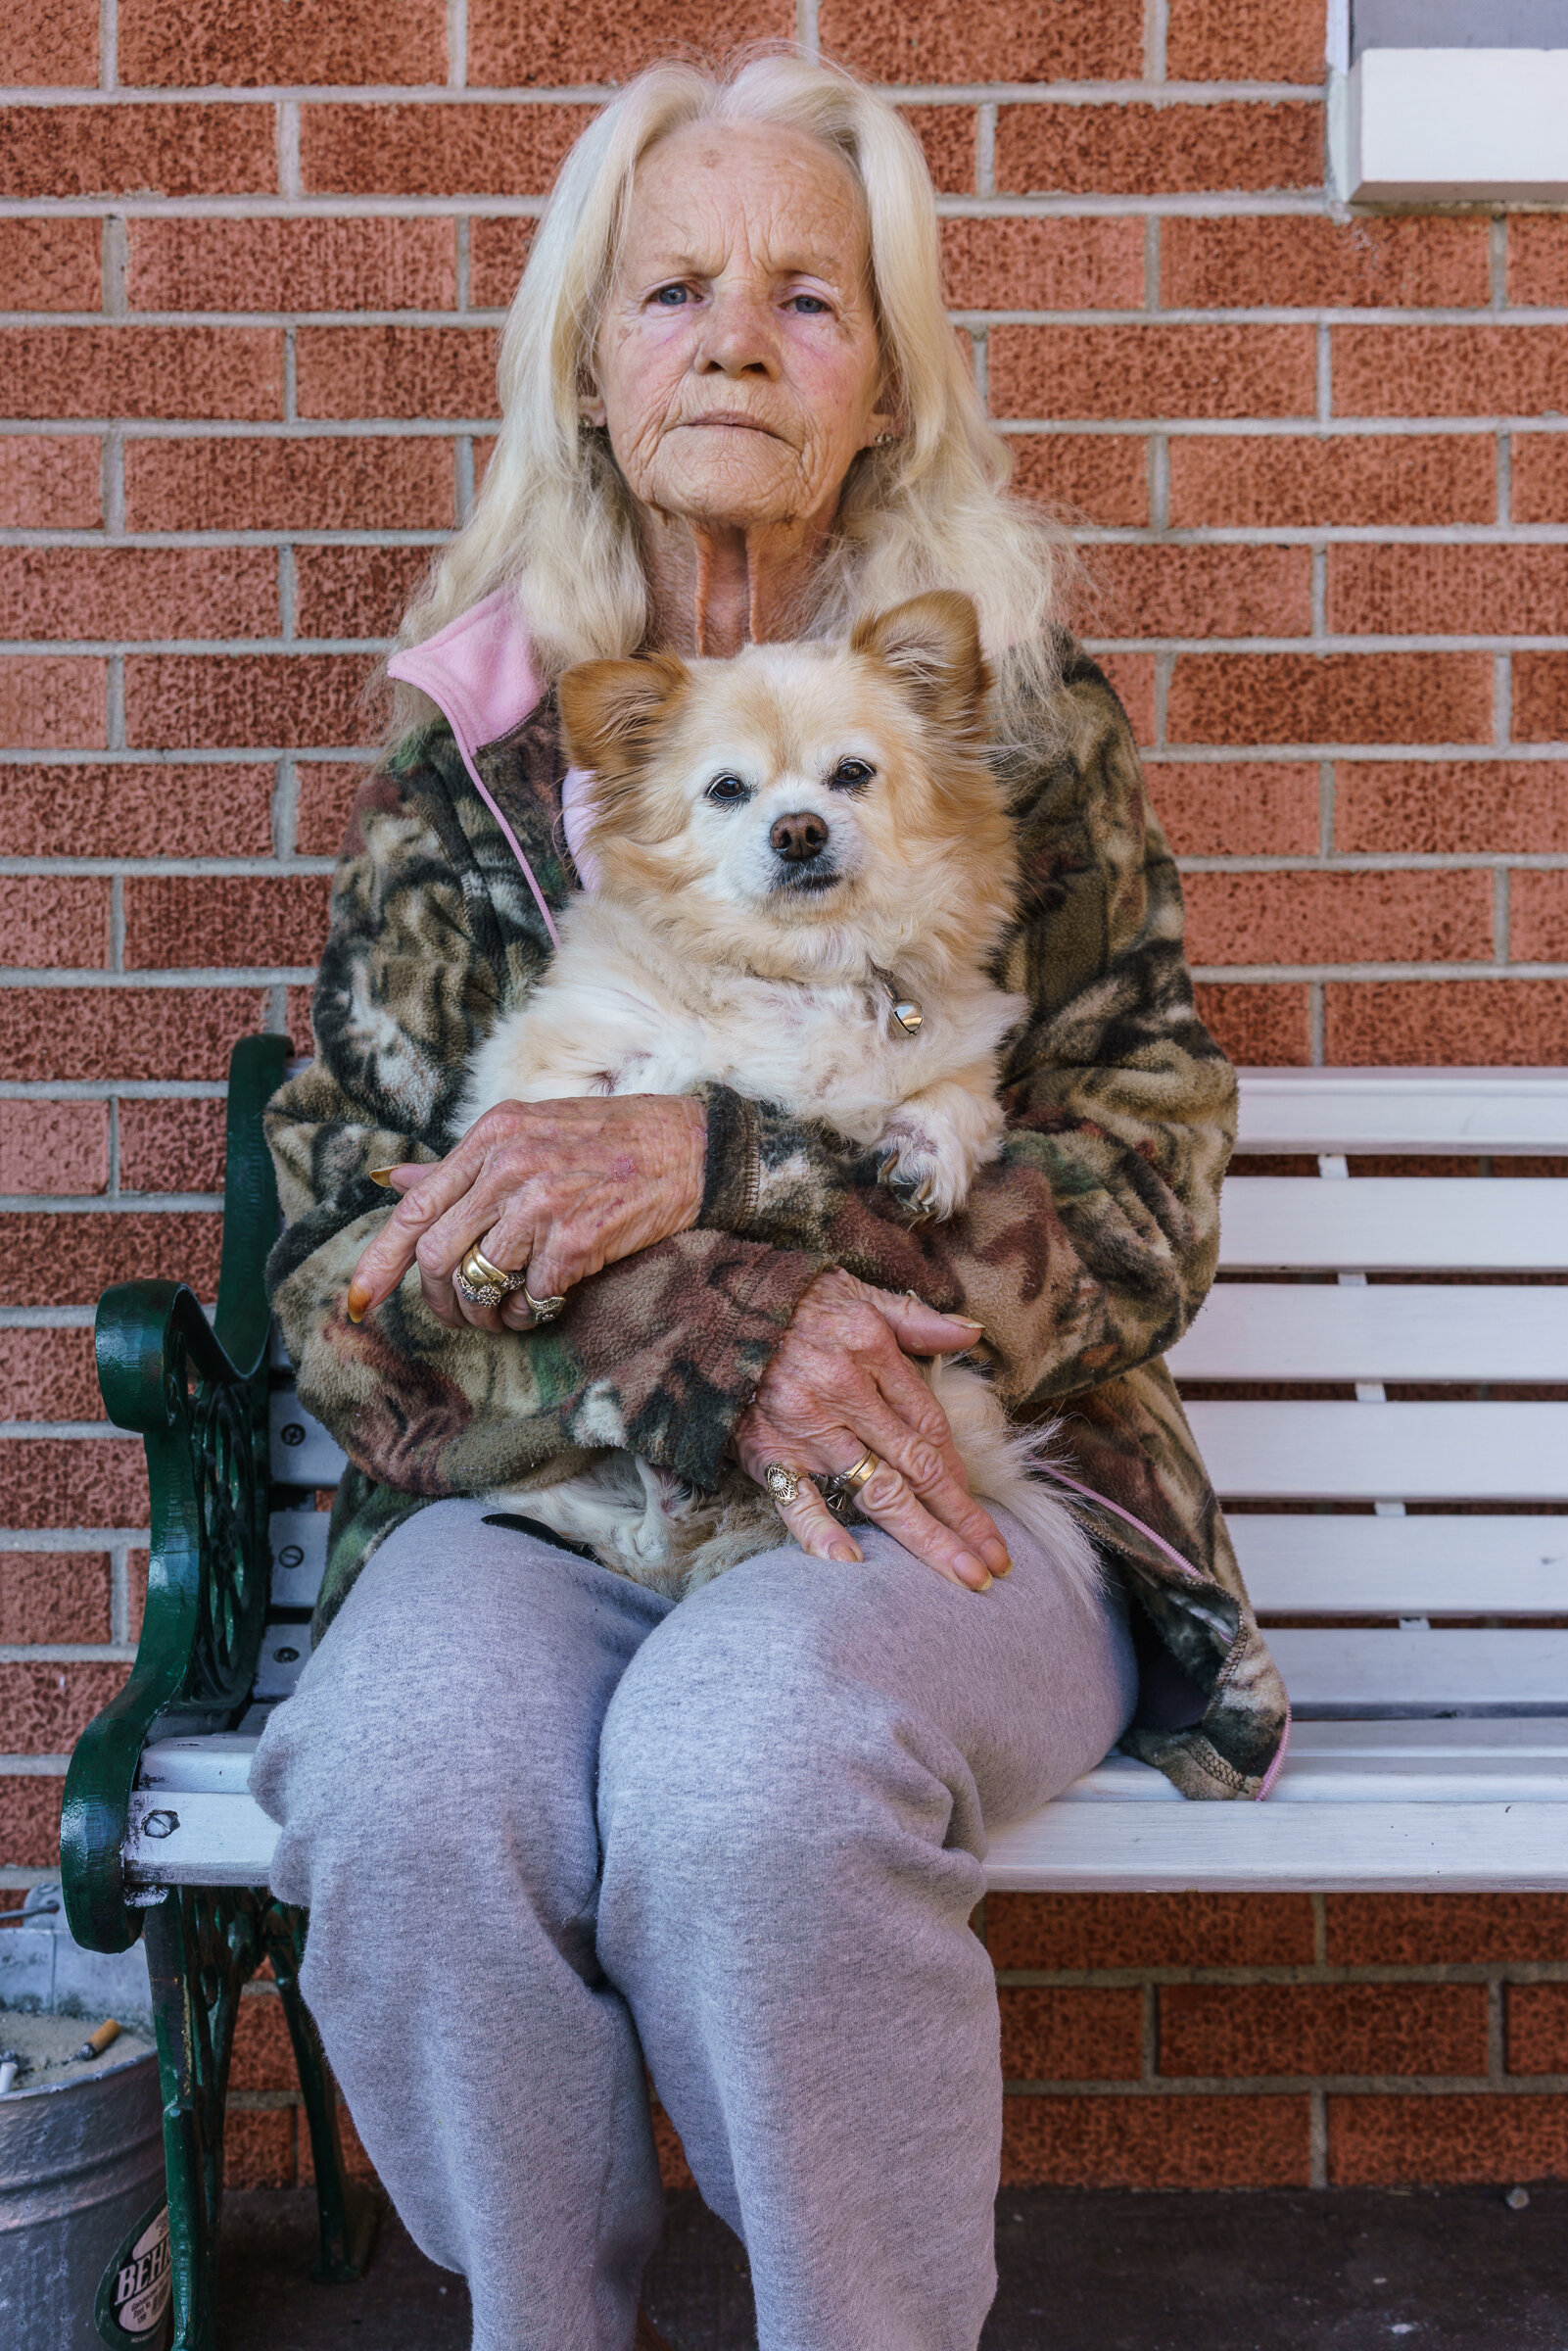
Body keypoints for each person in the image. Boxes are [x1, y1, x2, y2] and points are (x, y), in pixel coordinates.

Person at [251, 49, 1287, 2351]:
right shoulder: (485, 758)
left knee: (751, 1768)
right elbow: (340, 1255)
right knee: (415, 1781)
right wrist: (687, 1322)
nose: (735, 337)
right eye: (678, 289)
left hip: (957, 1475)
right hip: (550, 1493)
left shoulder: (1011, 722)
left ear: (888, 378)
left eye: (811, 297)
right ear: (591, 363)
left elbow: (1148, 1170)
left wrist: (745, 1181)